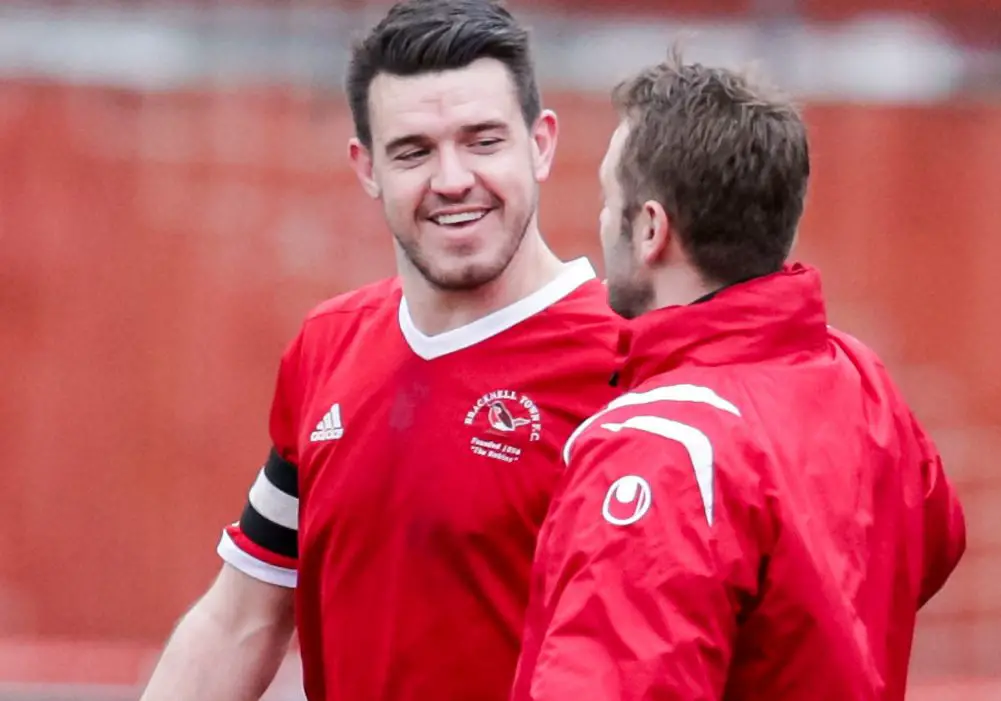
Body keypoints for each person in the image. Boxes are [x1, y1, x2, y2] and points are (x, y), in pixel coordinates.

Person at [139, 1, 623, 700]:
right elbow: (239, 619)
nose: (452, 179)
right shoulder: (326, 347)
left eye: (482, 140)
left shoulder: (631, 363)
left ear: (540, 144)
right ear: (366, 166)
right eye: (414, 150)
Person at [510, 52, 966, 701]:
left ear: (648, 229)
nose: (599, 221)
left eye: (609, 199)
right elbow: (933, 542)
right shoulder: (858, 378)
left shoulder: (655, 447)